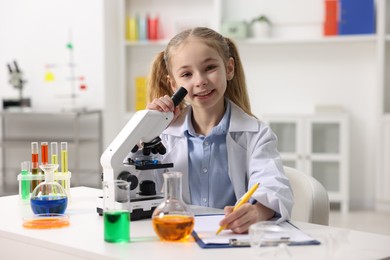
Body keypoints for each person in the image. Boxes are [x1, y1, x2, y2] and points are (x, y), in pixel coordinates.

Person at [145, 27, 293, 234]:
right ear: (173, 84)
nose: (200, 81)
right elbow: (132, 188)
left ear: (229, 68)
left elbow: (273, 185)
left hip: (233, 239)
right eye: (187, 74)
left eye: (210, 68)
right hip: (180, 237)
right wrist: (144, 129)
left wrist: (256, 212)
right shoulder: (164, 135)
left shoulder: (257, 134)